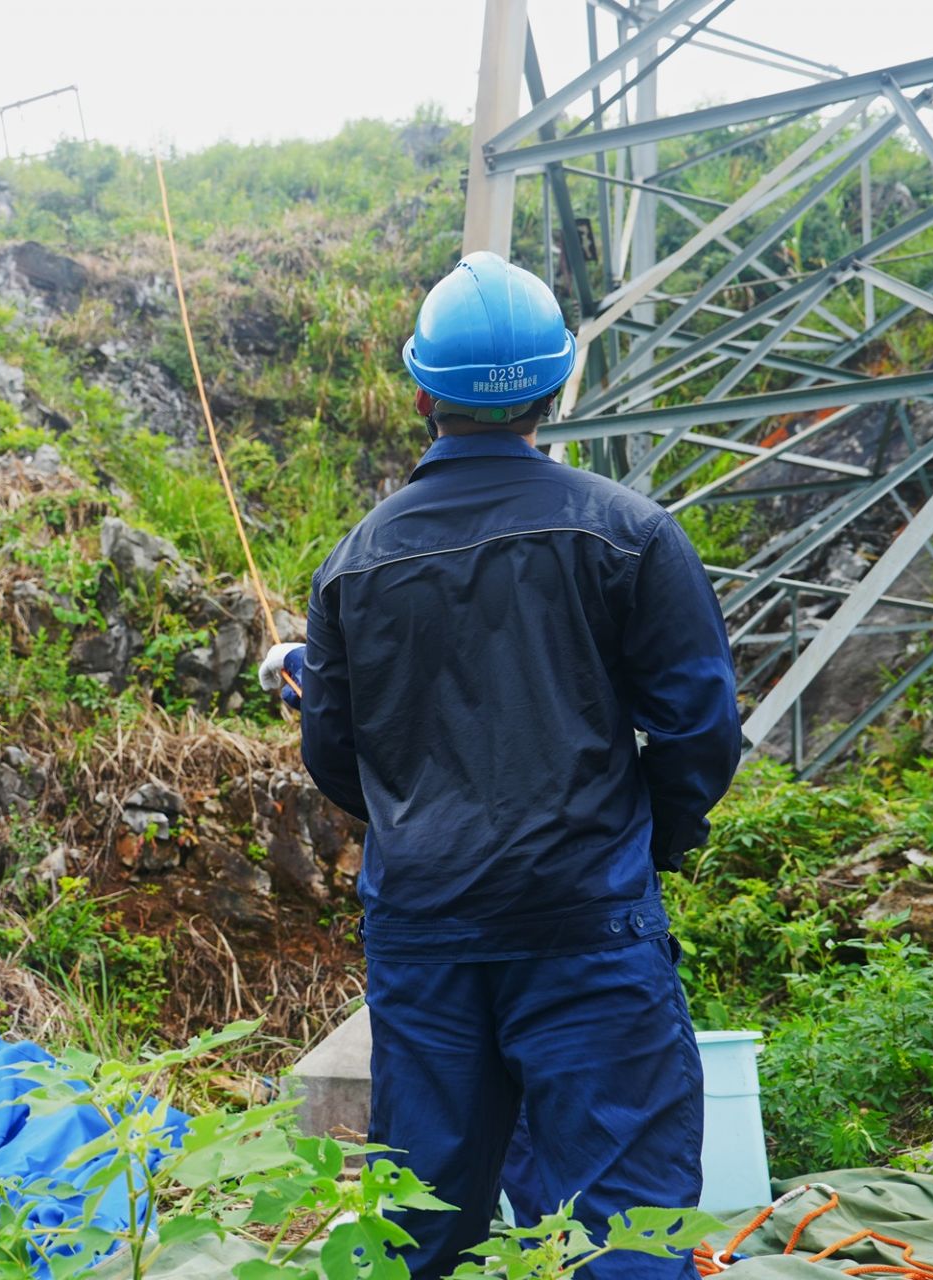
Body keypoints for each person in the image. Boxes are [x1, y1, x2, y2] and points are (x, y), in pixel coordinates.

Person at [258, 251, 740, 1279]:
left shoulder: (354, 562)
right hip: (587, 925)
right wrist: (650, 837)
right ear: (554, 386)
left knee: (422, 1224)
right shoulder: (630, 535)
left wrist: (418, 815)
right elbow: (698, 728)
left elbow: (338, 758)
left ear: (423, 390)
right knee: (626, 1225)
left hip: (426, 934)